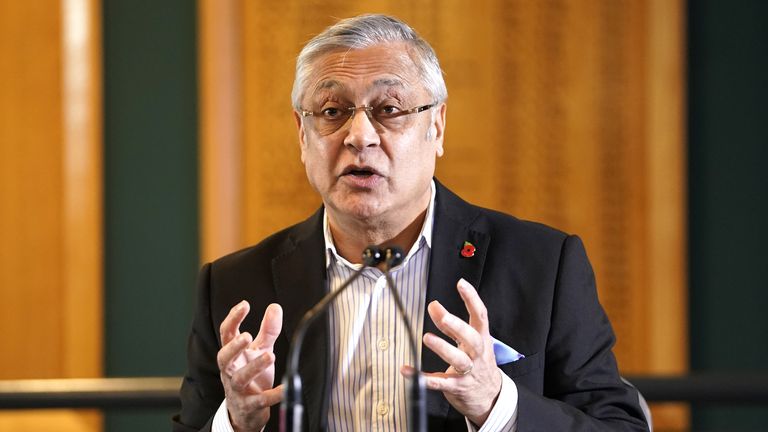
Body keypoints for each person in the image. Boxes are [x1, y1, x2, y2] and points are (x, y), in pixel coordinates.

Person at [173, 14, 649, 432]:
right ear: (303, 135)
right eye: (333, 112)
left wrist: (496, 405)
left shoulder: (542, 266)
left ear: (436, 127)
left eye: (390, 110)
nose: (359, 136)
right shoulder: (235, 284)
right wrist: (236, 423)